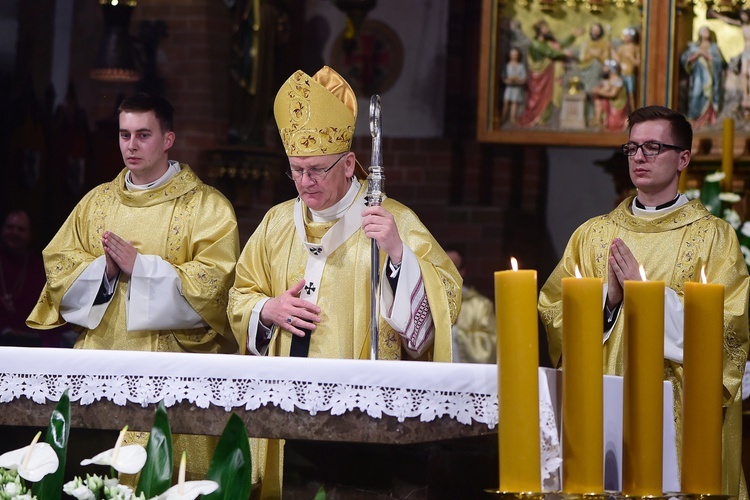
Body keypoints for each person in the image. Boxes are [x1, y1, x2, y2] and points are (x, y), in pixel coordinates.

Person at [227, 65, 462, 497]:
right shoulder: (277, 223)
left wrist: (396, 254)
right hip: (285, 410)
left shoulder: (392, 220)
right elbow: (240, 294)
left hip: (364, 420)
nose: (305, 183)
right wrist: (267, 309)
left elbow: (444, 299)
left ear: (350, 162)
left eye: (316, 170)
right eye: (296, 171)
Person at [538, 105, 749, 499]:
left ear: (683, 158)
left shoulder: (714, 238)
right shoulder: (592, 235)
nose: (639, 157)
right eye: (632, 147)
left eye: (653, 147)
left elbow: (728, 331)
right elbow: (553, 312)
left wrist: (646, 295)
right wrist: (609, 300)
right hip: (602, 407)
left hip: (678, 417)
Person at [26, 92, 241, 478]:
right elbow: (59, 270)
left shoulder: (208, 207)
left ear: (168, 140)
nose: (132, 145)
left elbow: (215, 286)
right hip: (98, 367)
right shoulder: (96, 203)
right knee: (88, 478)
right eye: (125, 135)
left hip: (172, 373)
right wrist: (104, 272)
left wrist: (141, 268)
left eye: (143, 134)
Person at [0, 209, 62, 347]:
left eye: (21, 229)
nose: (14, 232)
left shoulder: (39, 268)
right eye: (10, 227)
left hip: (28, 342)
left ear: (30, 235)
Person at [445, 247, 495, 363]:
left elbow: (489, 346)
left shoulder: (481, 305)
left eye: (452, 269)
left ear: (462, 271)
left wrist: (455, 331)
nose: (447, 275)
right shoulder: (427, 301)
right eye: (443, 268)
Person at [680, 25, 724, 129]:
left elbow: (719, 61)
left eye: (707, 31)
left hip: (710, 77)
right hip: (698, 77)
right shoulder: (695, 46)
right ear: (699, 33)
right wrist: (697, 54)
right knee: (696, 94)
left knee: (708, 96)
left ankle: (707, 119)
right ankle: (694, 118)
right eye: (703, 31)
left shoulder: (713, 47)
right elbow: (685, 59)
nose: (705, 33)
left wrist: (709, 57)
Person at [591, 59, 630, 131]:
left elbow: (613, 94)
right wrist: (597, 90)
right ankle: (599, 119)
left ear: (610, 70)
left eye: (605, 67)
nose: (603, 69)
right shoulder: (610, 80)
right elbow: (605, 90)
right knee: (599, 100)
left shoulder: (618, 80)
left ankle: (622, 122)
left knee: (613, 124)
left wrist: (599, 92)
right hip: (611, 104)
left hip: (617, 105)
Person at [501, 47, 528, 126]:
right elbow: (503, 76)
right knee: (505, 102)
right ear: (509, 55)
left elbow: (524, 77)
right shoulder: (506, 65)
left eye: (515, 55)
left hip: (517, 87)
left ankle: (512, 118)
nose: (514, 56)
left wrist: (519, 80)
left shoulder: (520, 66)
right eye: (512, 55)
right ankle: (503, 117)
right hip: (509, 87)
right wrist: (506, 80)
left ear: (518, 56)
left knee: (514, 103)